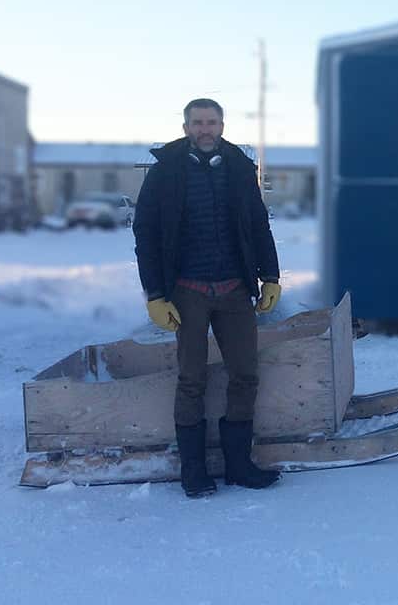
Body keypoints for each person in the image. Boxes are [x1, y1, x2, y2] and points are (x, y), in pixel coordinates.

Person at [133, 97, 283, 498]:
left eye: (211, 122)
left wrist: (270, 277)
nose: (204, 129)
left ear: (222, 125)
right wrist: (155, 294)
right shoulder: (164, 172)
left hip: (234, 288)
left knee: (245, 375)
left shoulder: (238, 168)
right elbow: (145, 235)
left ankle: (238, 466)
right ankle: (194, 471)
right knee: (192, 379)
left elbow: (257, 224)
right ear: (185, 127)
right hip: (188, 291)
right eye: (197, 122)